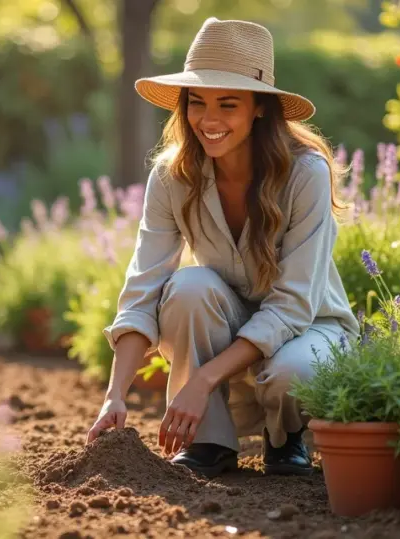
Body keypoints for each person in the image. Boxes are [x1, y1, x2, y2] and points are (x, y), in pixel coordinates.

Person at [85, 17, 360, 479]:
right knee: (187, 287)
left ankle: (284, 437)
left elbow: (293, 305)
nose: (208, 120)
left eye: (227, 104)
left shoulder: (304, 172)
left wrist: (202, 379)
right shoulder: (172, 176)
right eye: (197, 102)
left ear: (258, 108)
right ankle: (210, 442)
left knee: (295, 371)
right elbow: (144, 285)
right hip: (228, 320)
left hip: (308, 327)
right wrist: (115, 392)